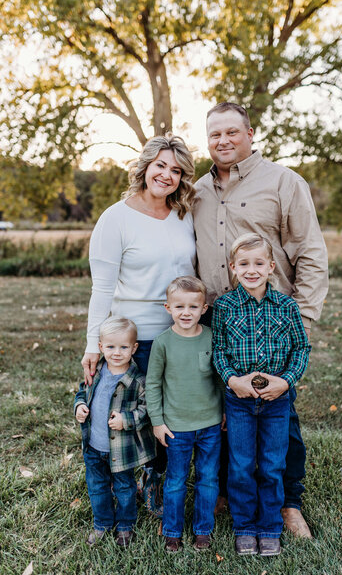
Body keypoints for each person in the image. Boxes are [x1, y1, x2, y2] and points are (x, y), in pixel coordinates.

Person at [194, 102, 329, 537]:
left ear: (251, 134)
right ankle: (223, 491)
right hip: (216, 320)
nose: (224, 141)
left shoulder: (284, 182)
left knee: (277, 413)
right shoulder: (196, 191)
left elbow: (310, 252)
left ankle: (289, 503)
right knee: (221, 410)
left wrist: (303, 320)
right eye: (215, 134)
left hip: (273, 321)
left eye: (233, 132)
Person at [81, 133, 197, 517]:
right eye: (160, 165)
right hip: (134, 340)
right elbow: (102, 288)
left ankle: (159, 481)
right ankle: (131, 482)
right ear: (145, 166)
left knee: (172, 414)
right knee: (137, 415)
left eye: (176, 170)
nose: (166, 175)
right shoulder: (116, 218)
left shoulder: (185, 216)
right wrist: (93, 345)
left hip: (180, 334)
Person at [212, 233, 311, 556]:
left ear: (271, 267)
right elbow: (219, 352)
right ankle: (244, 526)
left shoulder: (286, 306)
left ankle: (269, 526)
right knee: (241, 465)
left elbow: (301, 348)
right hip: (238, 401)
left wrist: (286, 381)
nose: (251, 270)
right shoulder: (225, 306)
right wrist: (231, 379)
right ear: (233, 268)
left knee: (271, 464)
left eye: (258, 263)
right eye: (243, 264)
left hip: (276, 401)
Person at [145, 276, 224, 552]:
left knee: (208, 478)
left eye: (193, 306)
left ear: (204, 308)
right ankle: (172, 531)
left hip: (211, 424)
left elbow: (220, 378)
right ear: (168, 308)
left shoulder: (213, 338)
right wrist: (157, 422)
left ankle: (203, 530)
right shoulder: (163, 342)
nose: (186, 313)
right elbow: (152, 384)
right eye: (179, 307)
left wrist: (224, 412)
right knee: (176, 480)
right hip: (176, 427)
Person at [74, 316, 156, 548]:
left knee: (124, 487)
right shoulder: (96, 372)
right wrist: (80, 407)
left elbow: (147, 409)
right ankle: (101, 523)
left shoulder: (138, 380)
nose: (116, 352)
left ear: (134, 348)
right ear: (100, 347)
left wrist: (126, 420)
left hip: (121, 450)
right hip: (93, 446)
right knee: (97, 487)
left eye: (123, 347)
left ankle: (125, 525)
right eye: (110, 347)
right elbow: (81, 393)